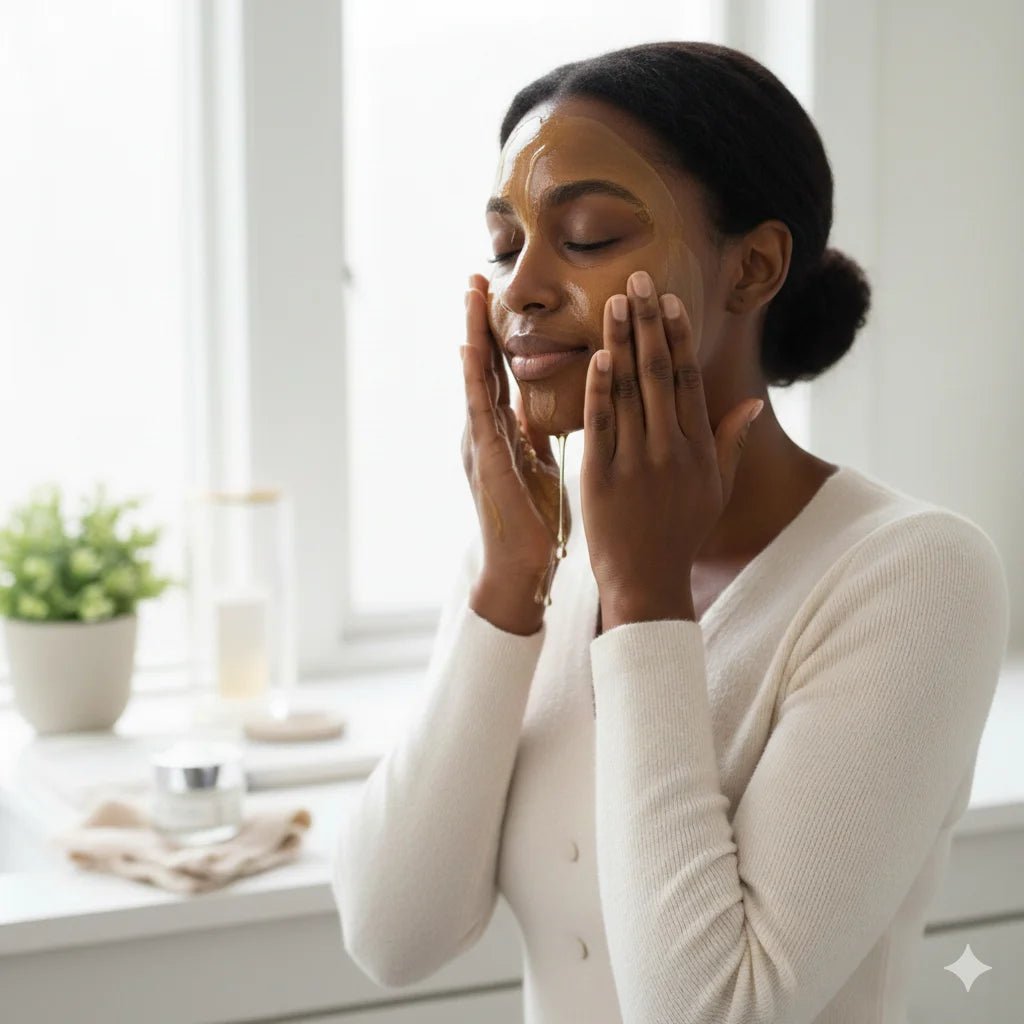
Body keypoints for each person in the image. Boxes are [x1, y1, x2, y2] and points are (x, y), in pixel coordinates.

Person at [331, 41, 1009, 1023]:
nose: (519, 289)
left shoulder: (914, 574)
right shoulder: (536, 555)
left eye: (591, 235)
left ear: (755, 267)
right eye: (503, 244)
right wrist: (505, 581)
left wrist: (643, 597)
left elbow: (712, 1010)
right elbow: (392, 936)